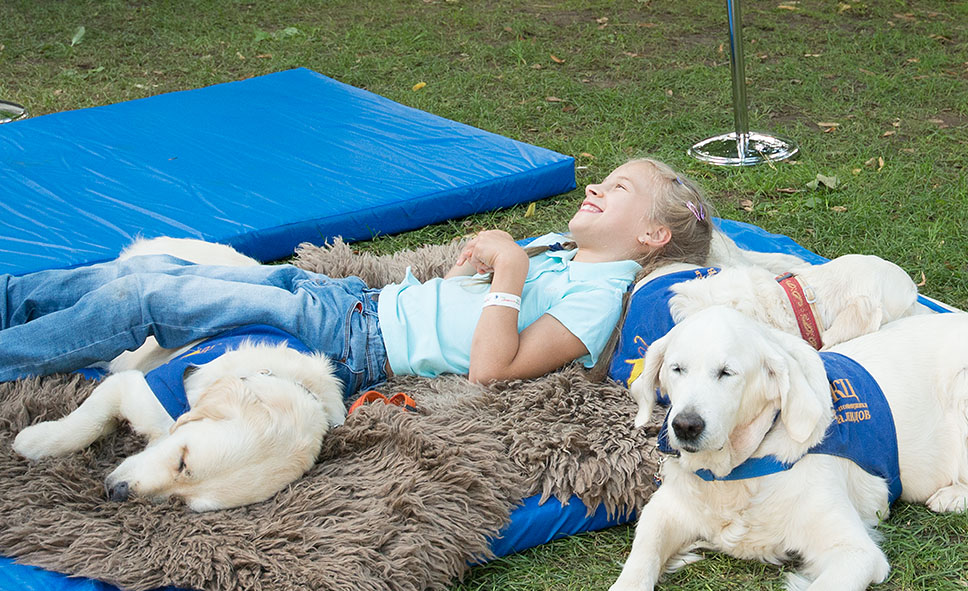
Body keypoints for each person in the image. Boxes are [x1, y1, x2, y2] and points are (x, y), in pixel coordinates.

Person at [0, 158, 714, 395]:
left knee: (148, 297)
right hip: (349, 301)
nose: (595, 187)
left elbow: (493, 369)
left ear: (652, 236)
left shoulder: (598, 295)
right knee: (155, 267)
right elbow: (467, 298)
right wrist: (477, 267)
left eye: (619, 189)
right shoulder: (563, 254)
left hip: (354, 343)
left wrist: (510, 268)